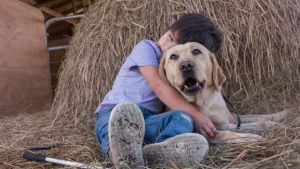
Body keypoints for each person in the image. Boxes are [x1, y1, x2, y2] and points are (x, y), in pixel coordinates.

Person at [95, 13, 233, 168]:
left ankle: (158, 152)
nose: (167, 47)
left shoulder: (172, 68)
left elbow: (208, 83)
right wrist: (196, 115)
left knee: (182, 119)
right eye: (170, 38)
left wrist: (222, 112)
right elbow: (160, 87)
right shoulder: (146, 48)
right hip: (114, 114)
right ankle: (118, 159)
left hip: (146, 120)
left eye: (176, 48)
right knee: (118, 132)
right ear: (167, 31)